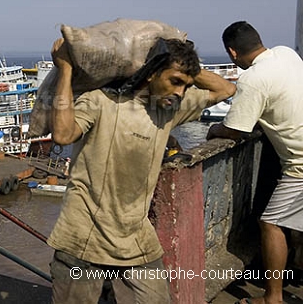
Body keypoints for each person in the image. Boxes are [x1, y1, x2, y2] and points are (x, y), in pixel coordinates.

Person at [48, 37, 236, 303]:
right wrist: (66, 68)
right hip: (84, 237)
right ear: (151, 74)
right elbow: (64, 134)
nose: (181, 93)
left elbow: (225, 89)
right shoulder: (101, 102)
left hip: (135, 237)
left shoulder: (168, 111)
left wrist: (184, 64)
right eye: (175, 81)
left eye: (187, 85)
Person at [207, 21, 303, 304]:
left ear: (232, 53)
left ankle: (272, 297)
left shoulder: (253, 80)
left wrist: (215, 130)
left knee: (271, 223)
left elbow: (237, 129)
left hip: (299, 166)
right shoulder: (287, 53)